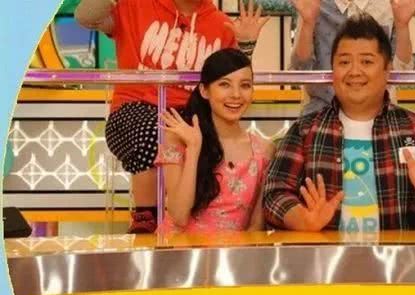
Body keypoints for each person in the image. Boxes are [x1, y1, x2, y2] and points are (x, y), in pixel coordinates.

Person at [75, 0, 269, 232]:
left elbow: (232, 78)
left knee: (211, 139)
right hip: (134, 109)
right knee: (158, 133)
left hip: (188, 113)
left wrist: (246, 45)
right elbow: (86, 17)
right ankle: (146, 217)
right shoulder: (135, 5)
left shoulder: (221, 24)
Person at [263, 14, 415, 232]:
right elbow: (274, 194)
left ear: (387, 69)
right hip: (326, 254)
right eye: (344, 62)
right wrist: (304, 220)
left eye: (367, 61)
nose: (354, 72)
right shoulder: (305, 131)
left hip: (399, 254)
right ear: (333, 70)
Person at [155, 48, 273, 232]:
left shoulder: (264, 150)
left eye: (245, 85)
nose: (236, 94)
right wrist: (194, 149)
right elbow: (179, 216)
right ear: (204, 90)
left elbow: (256, 225)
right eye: (225, 84)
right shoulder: (178, 138)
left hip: (234, 250)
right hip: (179, 247)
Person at [289, 0, 415, 116]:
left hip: (379, 114)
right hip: (322, 112)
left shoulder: (391, 5)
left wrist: (402, 26)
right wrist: (307, 23)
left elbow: (402, 70)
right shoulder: (314, 4)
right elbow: (301, 67)